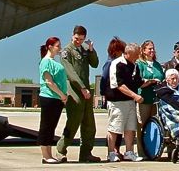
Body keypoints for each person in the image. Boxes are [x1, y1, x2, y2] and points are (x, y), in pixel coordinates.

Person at [55, 25, 100, 163]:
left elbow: (95, 64)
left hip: (86, 91)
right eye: (76, 38)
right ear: (72, 35)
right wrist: (82, 88)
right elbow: (71, 73)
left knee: (89, 124)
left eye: (81, 39)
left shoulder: (85, 50)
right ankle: (60, 150)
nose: (78, 41)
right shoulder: (66, 52)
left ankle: (86, 153)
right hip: (74, 91)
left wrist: (91, 50)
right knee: (73, 121)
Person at [107, 42, 144, 162]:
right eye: (135, 55)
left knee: (130, 128)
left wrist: (150, 82)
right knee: (115, 128)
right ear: (127, 53)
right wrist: (134, 95)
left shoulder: (135, 65)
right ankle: (111, 153)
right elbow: (118, 84)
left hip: (130, 102)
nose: (137, 57)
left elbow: (138, 81)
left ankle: (129, 152)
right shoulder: (117, 64)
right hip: (117, 102)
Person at [38, 37, 69, 164]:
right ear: (50, 47)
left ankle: (49, 154)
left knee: (51, 127)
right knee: (46, 126)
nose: (60, 48)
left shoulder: (55, 62)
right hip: (49, 97)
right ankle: (46, 155)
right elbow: (49, 82)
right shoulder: (46, 62)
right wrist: (62, 94)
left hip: (56, 99)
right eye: (57, 46)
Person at [136, 40, 165, 157]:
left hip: (156, 99)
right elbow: (139, 82)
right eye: (149, 49)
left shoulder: (157, 65)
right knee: (141, 125)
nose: (152, 51)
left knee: (155, 125)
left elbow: (162, 78)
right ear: (143, 50)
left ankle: (153, 150)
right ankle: (141, 152)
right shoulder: (139, 64)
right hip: (144, 98)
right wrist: (151, 81)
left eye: (153, 48)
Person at [100, 37, 125, 158]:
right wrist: (103, 94)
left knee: (120, 127)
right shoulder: (110, 63)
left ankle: (117, 149)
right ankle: (112, 149)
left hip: (121, 98)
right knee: (114, 126)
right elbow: (104, 79)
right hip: (113, 98)